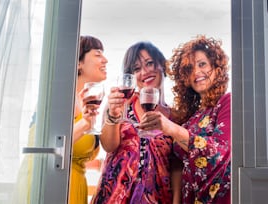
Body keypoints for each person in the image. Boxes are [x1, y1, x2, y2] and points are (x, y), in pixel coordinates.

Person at [139, 35, 231, 203]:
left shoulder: (228, 102)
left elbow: (219, 153)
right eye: (189, 69)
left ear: (217, 68)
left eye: (202, 64)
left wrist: (171, 128)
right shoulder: (192, 118)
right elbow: (178, 164)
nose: (196, 72)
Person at [90, 41, 177, 203]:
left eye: (149, 63)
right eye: (136, 69)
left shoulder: (175, 117)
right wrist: (113, 115)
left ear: (162, 65)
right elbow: (109, 146)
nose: (144, 72)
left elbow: (177, 168)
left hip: (158, 198)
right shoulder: (120, 103)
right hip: (115, 196)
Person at [70, 35, 108, 204]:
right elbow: (49, 145)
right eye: (98, 54)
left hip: (77, 187)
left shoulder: (82, 100)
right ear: (78, 63)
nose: (105, 60)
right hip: (61, 186)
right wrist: (85, 123)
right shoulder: (61, 99)